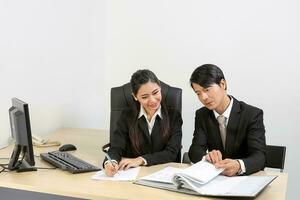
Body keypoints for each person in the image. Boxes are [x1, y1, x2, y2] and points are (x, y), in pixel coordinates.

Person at [188, 64, 266, 176]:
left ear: (222, 84)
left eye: (207, 90)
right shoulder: (202, 114)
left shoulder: (252, 114)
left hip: (244, 179)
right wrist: (207, 157)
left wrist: (239, 165)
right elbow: (195, 150)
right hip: (216, 180)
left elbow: (260, 156)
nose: (203, 97)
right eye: (198, 93)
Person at [104, 69, 183, 177]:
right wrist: (110, 162)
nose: (153, 100)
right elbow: (116, 146)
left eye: (155, 93)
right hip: (131, 177)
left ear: (160, 88)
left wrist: (141, 160)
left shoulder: (174, 116)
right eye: (145, 97)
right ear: (135, 97)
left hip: (162, 176)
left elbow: (172, 153)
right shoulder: (127, 115)